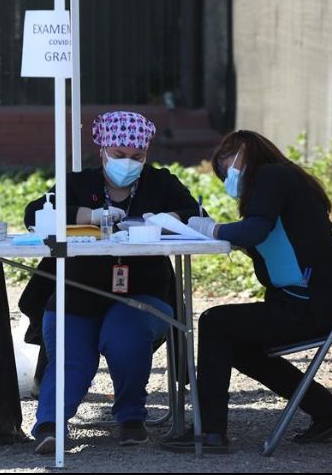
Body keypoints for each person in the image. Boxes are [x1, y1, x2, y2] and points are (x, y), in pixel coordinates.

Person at [161, 130, 332, 454]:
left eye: (227, 164)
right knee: (237, 344)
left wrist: (208, 228)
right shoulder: (285, 178)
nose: (227, 174)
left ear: (246, 151)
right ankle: (327, 411)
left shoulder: (270, 175)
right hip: (318, 304)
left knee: (214, 321)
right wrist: (215, 231)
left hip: (309, 306)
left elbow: (254, 230)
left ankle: (210, 433)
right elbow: (264, 236)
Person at [23, 111, 203, 454]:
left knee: (124, 335)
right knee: (71, 354)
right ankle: (49, 425)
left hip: (143, 292)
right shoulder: (79, 183)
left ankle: (131, 416)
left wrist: (168, 218)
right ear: (103, 149)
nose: (128, 163)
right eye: (119, 155)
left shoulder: (160, 183)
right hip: (78, 292)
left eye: (137, 157)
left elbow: (196, 213)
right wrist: (89, 216)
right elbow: (35, 213)